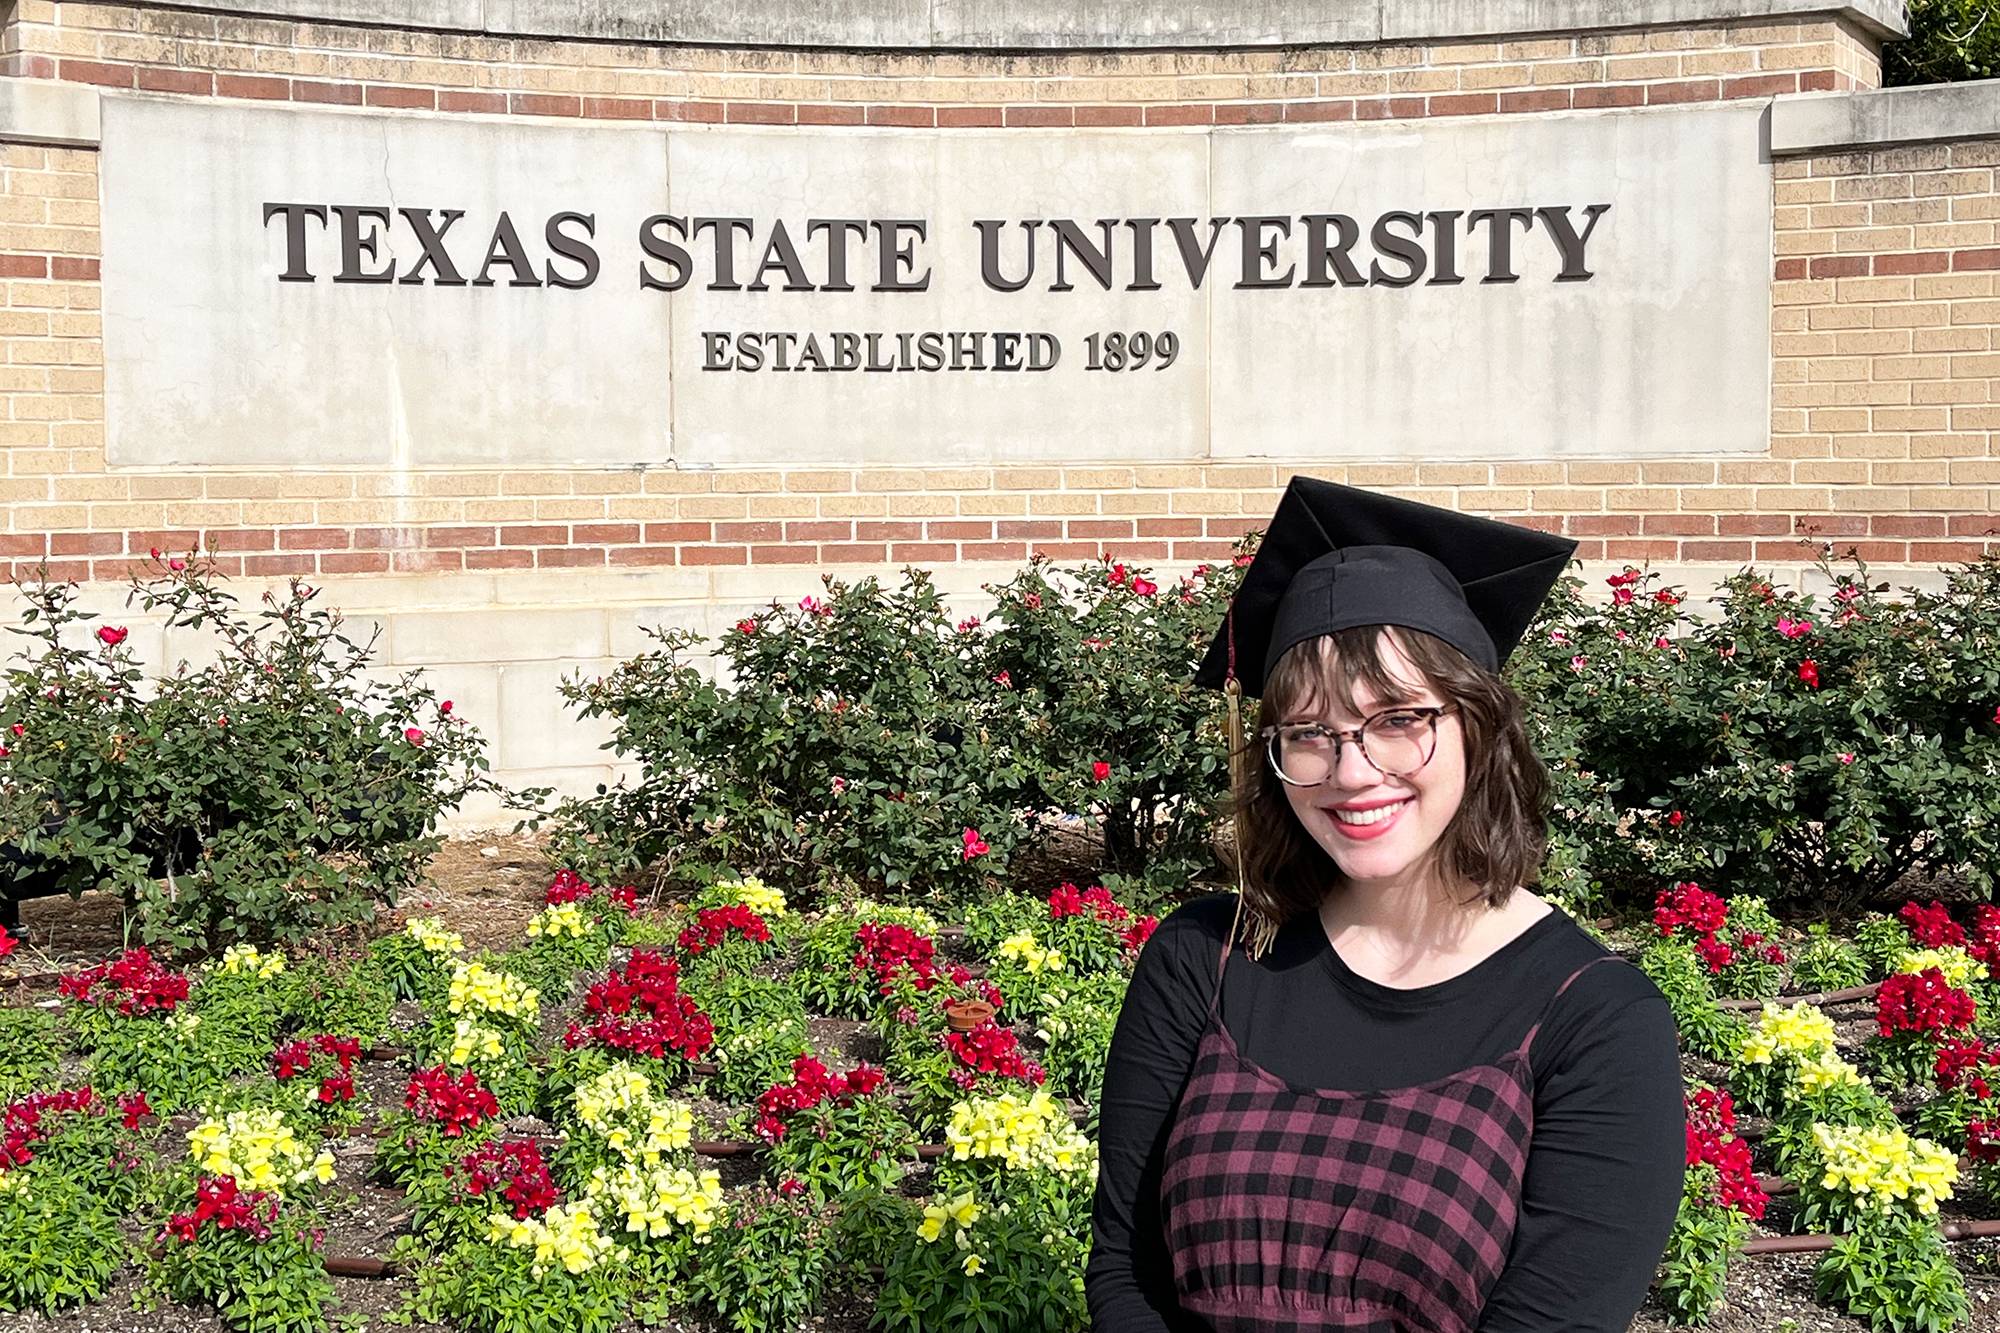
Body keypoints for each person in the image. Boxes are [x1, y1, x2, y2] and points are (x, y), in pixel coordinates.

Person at [1086, 477, 1686, 1333]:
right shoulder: (1204, 958)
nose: (1353, 770)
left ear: (1479, 724)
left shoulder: (1594, 1020)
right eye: (1309, 732)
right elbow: (1126, 1271)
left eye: (1399, 718)